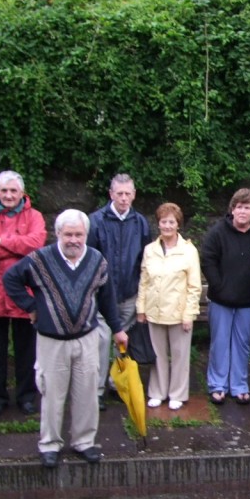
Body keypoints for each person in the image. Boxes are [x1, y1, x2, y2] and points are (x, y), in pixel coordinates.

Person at [3, 210, 128, 467]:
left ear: (86, 235)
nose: (74, 239)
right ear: (58, 233)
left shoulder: (96, 260)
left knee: (88, 392)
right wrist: (31, 305)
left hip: (87, 338)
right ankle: (50, 444)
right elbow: (10, 278)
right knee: (52, 394)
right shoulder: (40, 259)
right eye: (68, 234)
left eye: (79, 234)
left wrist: (117, 329)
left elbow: (106, 298)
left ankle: (84, 441)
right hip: (52, 340)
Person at [0, 170, 47, 419]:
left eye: (13, 191)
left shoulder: (34, 216)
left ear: (22, 193)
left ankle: (26, 397)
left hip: (24, 290)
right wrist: (16, 244)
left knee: (27, 350)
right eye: (4, 191)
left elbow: (36, 245)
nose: (9, 195)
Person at [87, 173, 151, 410]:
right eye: (119, 193)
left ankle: (117, 383)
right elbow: (89, 257)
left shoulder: (140, 222)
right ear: (111, 194)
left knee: (122, 342)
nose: (124, 198)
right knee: (102, 342)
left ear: (134, 195)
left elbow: (144, 257)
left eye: (128, 194)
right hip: (102, 295)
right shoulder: (95, 221)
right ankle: (97, 390)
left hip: (129, 293)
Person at [136, 202, 201, 411]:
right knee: (157, 355)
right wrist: (141, 309)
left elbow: (194, 285)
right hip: (154, 313)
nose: (167, 226)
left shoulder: (189, 251)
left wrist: (189, 314)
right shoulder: (149, 250)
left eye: (171, 222)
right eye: (163, 221)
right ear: (159, 224)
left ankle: (177, 394)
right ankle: (157, 391)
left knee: (180, 356)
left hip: (179, 313)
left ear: (178, 224)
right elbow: (144, 281)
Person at [201, 189, 250, 405]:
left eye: (248, 208)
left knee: (242, 344)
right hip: (221, 300)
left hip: (248, 301)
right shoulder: (218, 232)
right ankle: (218, 385)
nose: (243, 211)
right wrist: (219, 286)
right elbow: (208, 260)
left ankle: (239, 385)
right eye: (239, 207)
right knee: (220, 342)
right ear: (232, 209)